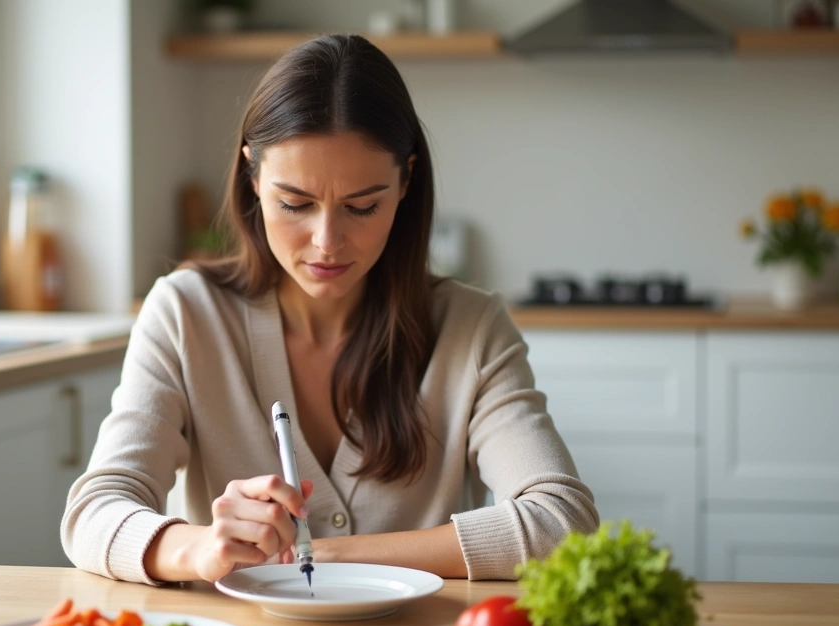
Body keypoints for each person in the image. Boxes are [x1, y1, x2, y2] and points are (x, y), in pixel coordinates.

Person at [61, 34, 597, 586]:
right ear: (252, 176)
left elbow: (562, 523)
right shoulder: (185, 314)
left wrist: (331, 556)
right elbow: (93, 514)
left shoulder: (471, 328)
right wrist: (198, 549)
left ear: (406, 182)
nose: (326, 242)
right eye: (294, 203)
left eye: (362, 206)